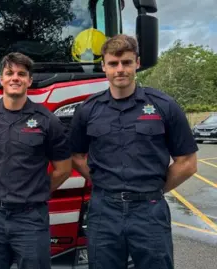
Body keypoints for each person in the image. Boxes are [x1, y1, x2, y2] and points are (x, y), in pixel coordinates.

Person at [70, 34, 198, 269]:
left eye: (126, 62)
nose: (120, 69)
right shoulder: (88, 110)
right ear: (104, 67)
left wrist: (155, 189)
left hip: (149, 210)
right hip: (104, 211)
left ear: (137, 63)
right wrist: (100, 181)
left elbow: (187, 162)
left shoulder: (164, 105)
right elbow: (76, 157)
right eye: (113, 63)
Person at [0, 52, 73, 269]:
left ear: (29, 81)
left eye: (21, 74)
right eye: (9, 73)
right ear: (1, 79)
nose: (15, 78)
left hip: (31, 218)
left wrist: (34, 190)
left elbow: (63, 169)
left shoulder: (47, 121)